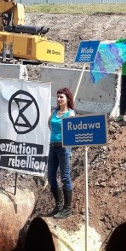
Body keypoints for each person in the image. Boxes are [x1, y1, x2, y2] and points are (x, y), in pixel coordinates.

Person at [47, 87, 76, 219]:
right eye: (58, 97)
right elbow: (49, 124)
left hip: (64, 148)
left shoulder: (70, 114)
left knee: (65, 177)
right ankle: (58, 206)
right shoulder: (55, 112)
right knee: (51, 177)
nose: (58, 99)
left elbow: (72, 131)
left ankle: (67, 208)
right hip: (52, 146)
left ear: (67, 99)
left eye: (61, 97)